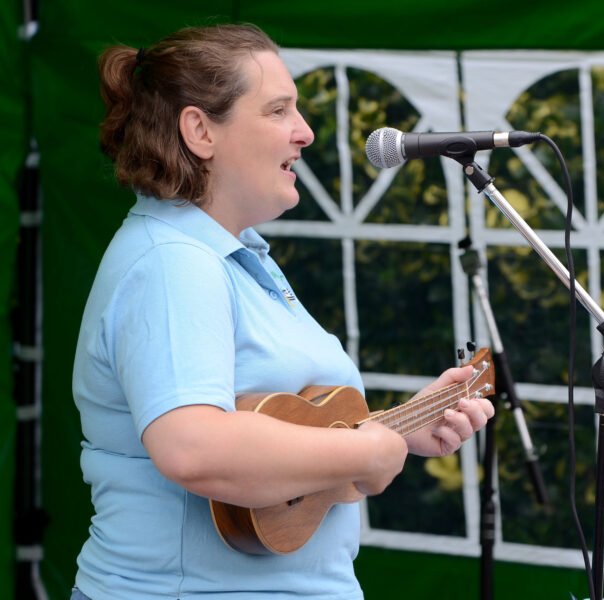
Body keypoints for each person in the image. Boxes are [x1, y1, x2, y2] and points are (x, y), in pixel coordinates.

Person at [71, 23, 494, 600]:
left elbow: (287, 432)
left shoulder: (233, 256)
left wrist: (403, 426)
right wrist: (366, 449)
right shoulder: (174, 262)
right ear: (200, 130)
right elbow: (193, 446)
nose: (306, 133)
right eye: (278, 111)